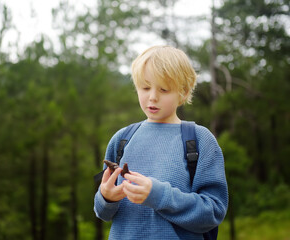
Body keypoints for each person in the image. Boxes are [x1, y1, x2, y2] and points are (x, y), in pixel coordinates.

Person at [94, 45, 228, 239]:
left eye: (164, 90)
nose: (153, 97)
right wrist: (106, 198)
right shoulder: (122, 139)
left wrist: (158, 196)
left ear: (183, 92)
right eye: (145, 87)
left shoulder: (199, 140)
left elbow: (213, 212)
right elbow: (103, 213)